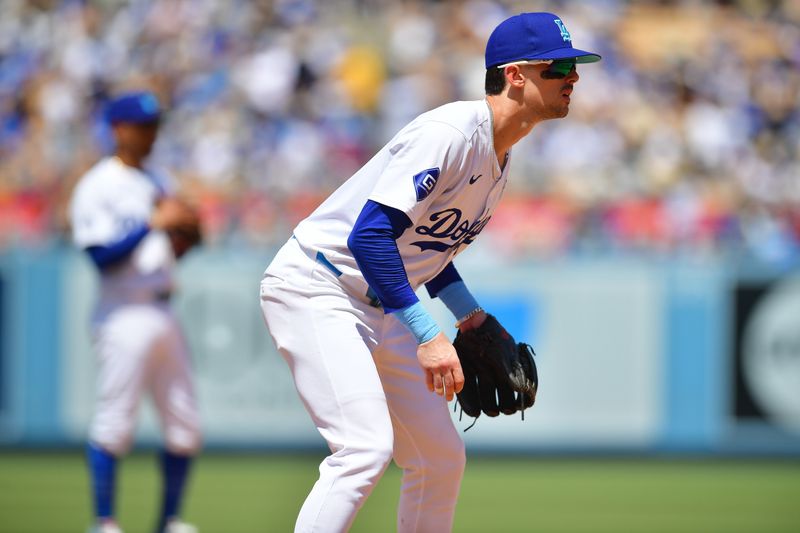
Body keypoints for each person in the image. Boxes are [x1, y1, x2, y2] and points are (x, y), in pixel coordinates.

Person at [259, 12, 601, 533]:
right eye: (557, 68)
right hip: (319, 285)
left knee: (439, 458)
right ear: (514, 74)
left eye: (573, 68)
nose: (572, 78)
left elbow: (425, 248)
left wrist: (470, 318)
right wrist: (427, 334)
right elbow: (369, 237)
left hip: (381, 302)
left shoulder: (499, 157)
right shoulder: (450, 133)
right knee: (362, 449)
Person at [69, 91, 202, 533]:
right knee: (114, 423)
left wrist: (187, 232)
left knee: (185, 427)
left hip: (164, 308)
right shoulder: (97, 184)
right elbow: (100, 257)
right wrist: (153, 224)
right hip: (122, 310)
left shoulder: (157, 180)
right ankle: (103, 521)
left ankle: (169, 521)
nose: (151, 133)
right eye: (142, 125)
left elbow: (173, 249)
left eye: (154, 125)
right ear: (117, 129)